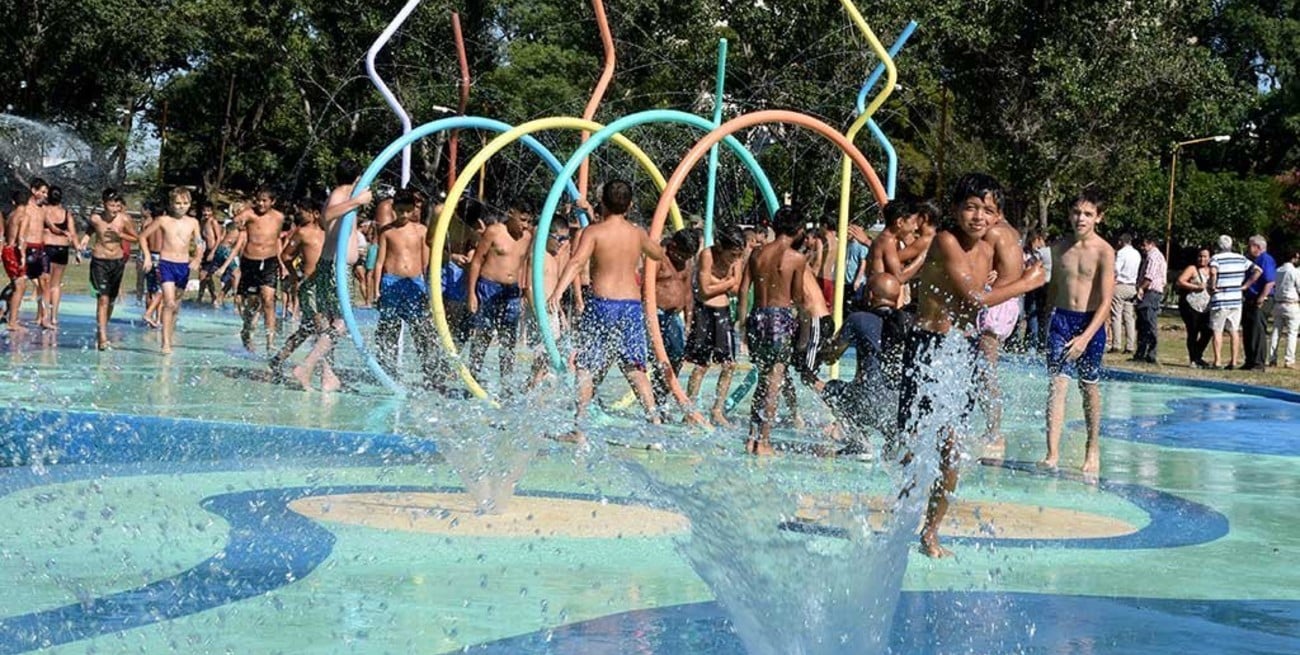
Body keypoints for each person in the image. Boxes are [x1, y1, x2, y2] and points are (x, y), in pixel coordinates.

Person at [898, 173, 1045, 558]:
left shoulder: (986, 252)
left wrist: (1000, 285)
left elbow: (972, 304)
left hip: (958, 349)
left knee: (952, 451)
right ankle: (902, 516)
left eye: (989, 210)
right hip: (928, 348)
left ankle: (931, 531)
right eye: (971, 207)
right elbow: (977, 300)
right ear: (955, 210)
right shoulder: (945, 240)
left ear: (998, 217)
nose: (979, 216)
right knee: (915, 446)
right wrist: (1027, 284)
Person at [548, 181, 666, 441]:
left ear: (601, 203)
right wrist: (650, 241)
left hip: (602, 304)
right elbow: (657, 254)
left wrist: (557, 292)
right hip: (631, 306)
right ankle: (655, 424)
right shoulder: (636, 234)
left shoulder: (594, 232)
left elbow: (577, 262)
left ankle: (579, 429)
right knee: (635, 367)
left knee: (585, 366)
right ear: (631, 205)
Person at [1041, 190, 1115, 475]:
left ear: (1099, 217)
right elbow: (1054, 290)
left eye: (1087, 214)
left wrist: (1085, 338)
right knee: (1057, 385)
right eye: (1076, 213)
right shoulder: (1059, 247)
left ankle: (1092, 445)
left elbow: (1107, 301)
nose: (1080, 218)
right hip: (1061, 321)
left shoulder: (1104, 251)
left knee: (1088, 386)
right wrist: (1046, 323)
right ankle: (1052, 453)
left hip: (1090, 324)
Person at [293, 161, 373, 392]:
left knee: (330, 324)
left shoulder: (343, 194)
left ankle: (328, 376)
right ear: (357, 178)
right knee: (343, 322)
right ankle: (306, 366)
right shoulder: (342, 194)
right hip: (337, 268)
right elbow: (327, 216)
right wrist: (357, 201)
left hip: (333, 265)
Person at [736, 206, 808, 456]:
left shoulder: (757, 254)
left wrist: (742, 323)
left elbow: (743, 289)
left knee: (762, 380)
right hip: (780, 318)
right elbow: (798, 297)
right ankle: (764, 441)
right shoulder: (797, 259)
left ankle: (751, 437)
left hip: (757, 317)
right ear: (798, 231)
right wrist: (806, 329)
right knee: (774, 384)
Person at [817, 272, 911, 455]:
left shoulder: (858, 319)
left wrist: (818, 353)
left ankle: (859, 441)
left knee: (830, 388)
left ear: (870, 295)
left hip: (866, 403)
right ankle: (892, 447)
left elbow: (831, 356)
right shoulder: (909, 322)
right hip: (898, 407)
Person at [373, 189, 439, 385]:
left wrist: (429, 290)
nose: (404, 215)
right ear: (393, 209)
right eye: (400, 211)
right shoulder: (387, 232)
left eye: (408, 211)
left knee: (420, 329)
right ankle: (386, 369)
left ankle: (429, 372)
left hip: (414, 283)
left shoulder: (421, 231)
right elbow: (379, 263)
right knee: (388, 327)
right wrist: (376, 289)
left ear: (414, 210)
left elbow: (427, 263)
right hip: (391, 282)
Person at [975, 199, 1025, 455]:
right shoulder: (1012, 232)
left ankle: (994, 432)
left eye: (987, 211)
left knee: (986, 372)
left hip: (997, 305)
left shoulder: (994, 233)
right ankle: (991, 429)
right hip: (1008, 304)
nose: (980, 217)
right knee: (982, 370)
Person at [683, 226, 746, 427]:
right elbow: (704, 290)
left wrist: (719, 283)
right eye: (732, 254)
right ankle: (689, 409)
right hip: (704, 312)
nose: (734, 259)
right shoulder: (707, 255)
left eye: (738, 255)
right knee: (702, 365)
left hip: (723, 312)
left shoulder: (737, 260)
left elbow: (736, 288)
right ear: (720, 246)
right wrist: (727, 282)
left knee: (729, 365)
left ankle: (717, 410)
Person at [466, 201, 533, 384]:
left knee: (508, 338)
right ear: (511, 212)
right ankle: (473, 376)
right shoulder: (494, 231)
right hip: (489, 286)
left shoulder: (528, 237)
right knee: (483, 334)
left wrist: (524, 291)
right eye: (522, 220)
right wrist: (471, 293)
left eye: (528, 221)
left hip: (512, 291)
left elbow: (525, 265)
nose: (524, 225)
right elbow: (477, 261)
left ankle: (506, 382)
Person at [138, 187, 204, 354]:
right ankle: (165, 343)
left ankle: (170, 333)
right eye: (178, 203)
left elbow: (199, 242)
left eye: (185, 203)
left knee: (176, 305)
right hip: (166, 263)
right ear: (171, 203)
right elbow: (143, 236)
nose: (182, 206)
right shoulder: (163, 220)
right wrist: (146, 256)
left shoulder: (193, 222)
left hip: (183, 266)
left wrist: (197, 258)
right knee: (169, 302)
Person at [270, 197, 328, 373]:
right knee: (323, 329)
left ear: (315, 214)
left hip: (324, 285)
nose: (298, 214)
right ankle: (323, 369)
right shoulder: (302, 232)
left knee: (306, 329)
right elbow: (286, 256)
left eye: (301, 211)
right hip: (309, 285)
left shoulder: (328, 232)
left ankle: (279, 358)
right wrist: (294, 275)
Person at [226, 186, 287, 352]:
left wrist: (282, 264)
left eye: (264, 200)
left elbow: (277, 241)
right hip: (250, 262)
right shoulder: (249, 213)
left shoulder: (279, 217)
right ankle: (246, 329)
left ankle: (270, 341)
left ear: (272, 202)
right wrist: (237, 222)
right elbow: (235, 220)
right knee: (252, 303)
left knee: (268, 300)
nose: (260, 203)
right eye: (258, 200)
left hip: (269, 261)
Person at [86, 189, 139, 350]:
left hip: (117, 260)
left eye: (117, 205)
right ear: (104, 204)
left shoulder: (124, 219)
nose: (115, 209)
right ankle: (102, 336)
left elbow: (136, 238)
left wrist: (120, 235)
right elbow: (90, 230)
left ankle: (102, 327)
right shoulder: (96, 218)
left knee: (111, 300)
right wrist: (83, 240)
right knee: (103, 298)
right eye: (111, 205)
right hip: (99, 260)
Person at [652, 229, 697, 413]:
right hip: (657, 314)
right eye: (681, 254)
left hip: (673, 317)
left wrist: (688, 320)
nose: (683, 259)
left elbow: (687, 292)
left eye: (687, 256)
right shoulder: (658, 258)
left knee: (677, 357)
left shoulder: (687, 263)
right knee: (656, 358)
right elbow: (645, 287)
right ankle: (655, 398)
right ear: (672, 246)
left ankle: (662, 394)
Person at [1208, 235, 1261, 369]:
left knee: (1217, 330)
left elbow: (1213, 272)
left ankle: (1218, 361)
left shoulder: (1216, 258)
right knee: (1234, 330)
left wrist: (1213, 286)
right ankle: (1233, 360)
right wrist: (1246, 285)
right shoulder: (1241, 258)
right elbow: (1258, 270)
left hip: (1220, 298)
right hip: (1236, 299)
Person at [5, 178, 50, 330]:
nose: (45, 195)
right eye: (42, 192)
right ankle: (11, 318)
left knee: (38, 282)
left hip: (35, 249)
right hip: (23, 249)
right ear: (33, 191)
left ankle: (43, 317)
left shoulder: (39, 210)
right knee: (19, 284)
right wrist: (22, 254)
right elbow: (20, 237)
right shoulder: (24, 212)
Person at [40, 186, 79, 329]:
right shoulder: (66, 213)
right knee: (56, 285)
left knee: (45, 285)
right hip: (63, 249)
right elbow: (73, 233)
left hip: (48, 248)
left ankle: (45, 317)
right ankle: (54, 317)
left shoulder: (44, 210)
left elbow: (51, 228)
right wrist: (78, 251)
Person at [1242, 235, 1277, 370]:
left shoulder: (1266, 259)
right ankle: (1249, 360)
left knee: (1257, 330)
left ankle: (1258, 362)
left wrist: (1262, 297)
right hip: (1250, 298)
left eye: (1250, 245)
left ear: (1258, 247)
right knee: (1248, 329)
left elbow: (1270, 281)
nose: (1248, 248)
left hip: (1261, 298)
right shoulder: (1252, 260)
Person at [1175, 248, 1213, 368]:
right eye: (1200, 256)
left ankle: (1198, 355)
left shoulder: (1213, 270)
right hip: (1191, 305)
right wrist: (1195, 287)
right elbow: (1180, 281)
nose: (1202, 259)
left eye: (1205, 257)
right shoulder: (1192, 269)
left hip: (1206, 306)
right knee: (1193, 331)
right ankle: (1193, 359)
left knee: (1208, 331)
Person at [1131, 235, 1167, 363]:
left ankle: (1151, 353)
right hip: (1150, 292)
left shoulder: (1154, 256)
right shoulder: (1154, 256)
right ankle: (1141, 352)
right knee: (1142, 323)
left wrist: (1141, 288)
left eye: (1144, 245)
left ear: (1151, 244)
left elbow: (1149, 276)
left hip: (1151, 292)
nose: (1142, 248)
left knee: (1149, 322)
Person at [1109, 233, 1140, 353]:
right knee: (1129, 317)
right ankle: (1130, 345)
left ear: (1121, 241)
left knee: (1116, 315)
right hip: (1132, 285)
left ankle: (1116, 344)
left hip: (1121, 284)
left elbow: (1116, 269)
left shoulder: (1122, 253)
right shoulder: (1136, 254)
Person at [1269, 250, 1299, 368]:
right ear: (1293, 258)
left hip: (1278, 303)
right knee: (1292, 332)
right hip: (1291, 304)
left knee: (1276, 332)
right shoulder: (1295, 271)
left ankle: (1272, 358)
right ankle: (1289, 359)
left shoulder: (1278, 270)